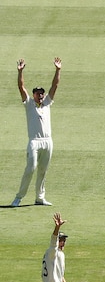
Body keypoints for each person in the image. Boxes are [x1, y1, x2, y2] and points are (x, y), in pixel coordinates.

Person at [11, 57, 62, 207]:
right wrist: (20, 72)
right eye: (37, 93)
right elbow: (21, 87)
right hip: (34, 141)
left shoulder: (47, 103)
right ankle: (19, 197)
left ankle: (40, 198)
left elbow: (55, 85)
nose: (40, 95)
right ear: (33, 95)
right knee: (31, 168)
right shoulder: (28, 104)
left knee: (43, 170)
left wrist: (58, 70)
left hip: (48, 141)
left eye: (41, 93)